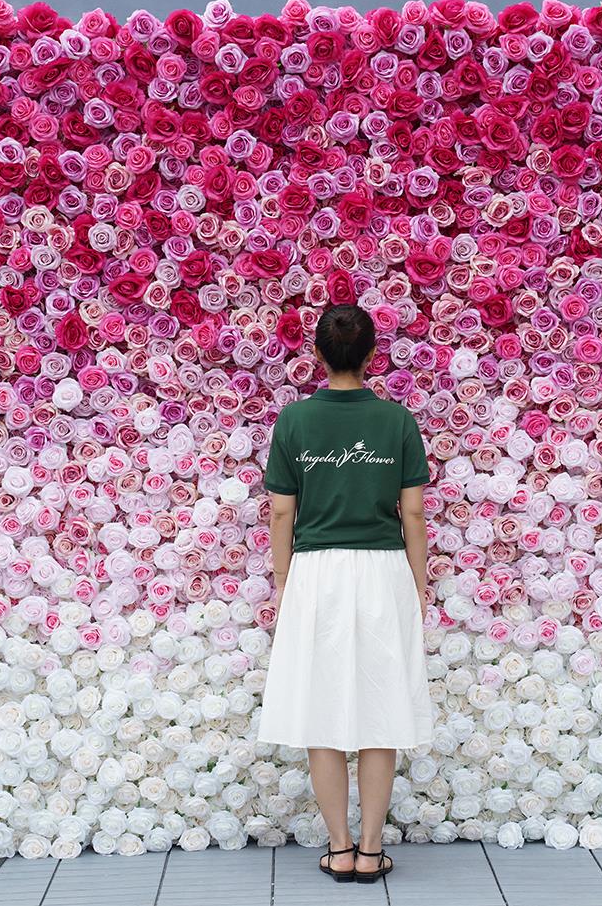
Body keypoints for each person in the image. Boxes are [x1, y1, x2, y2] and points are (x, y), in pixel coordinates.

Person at [256, 303, 435, 883]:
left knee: (322, 707)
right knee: (380, 707)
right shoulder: (397, 421)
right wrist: (419, 583)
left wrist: (285, 583)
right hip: (384, 569)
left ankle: (337, 847)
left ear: (317, 355)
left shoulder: (295, 422)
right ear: (372, 355)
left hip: (316, 572)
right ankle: (371, 847)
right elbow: (412, 511)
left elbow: (283, 511)